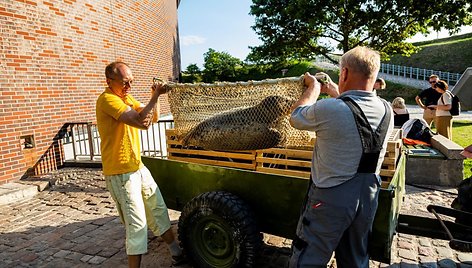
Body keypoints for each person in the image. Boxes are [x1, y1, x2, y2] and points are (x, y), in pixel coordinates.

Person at [289, 46, 393, 268]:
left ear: (344, 73)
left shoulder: (328, 109)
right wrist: (335, 90)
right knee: (355, 258)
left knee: (310, 256)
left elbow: (296, 117)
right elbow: (354, 109)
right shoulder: (387, 108)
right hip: (368, 197)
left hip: (330, 199)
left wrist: (314, 88)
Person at [96, 62, 185, 268]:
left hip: (137, 167)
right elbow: (139, 121)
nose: (129, 87)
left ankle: (176, 253)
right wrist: (153, 99)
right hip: (120, 172)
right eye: (125, 83)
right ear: (109, 81)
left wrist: (157, 96)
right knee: (137, 225)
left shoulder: (125, 98)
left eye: (131, 82)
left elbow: (150, 118)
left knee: (158, 209)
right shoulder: (107, 100)